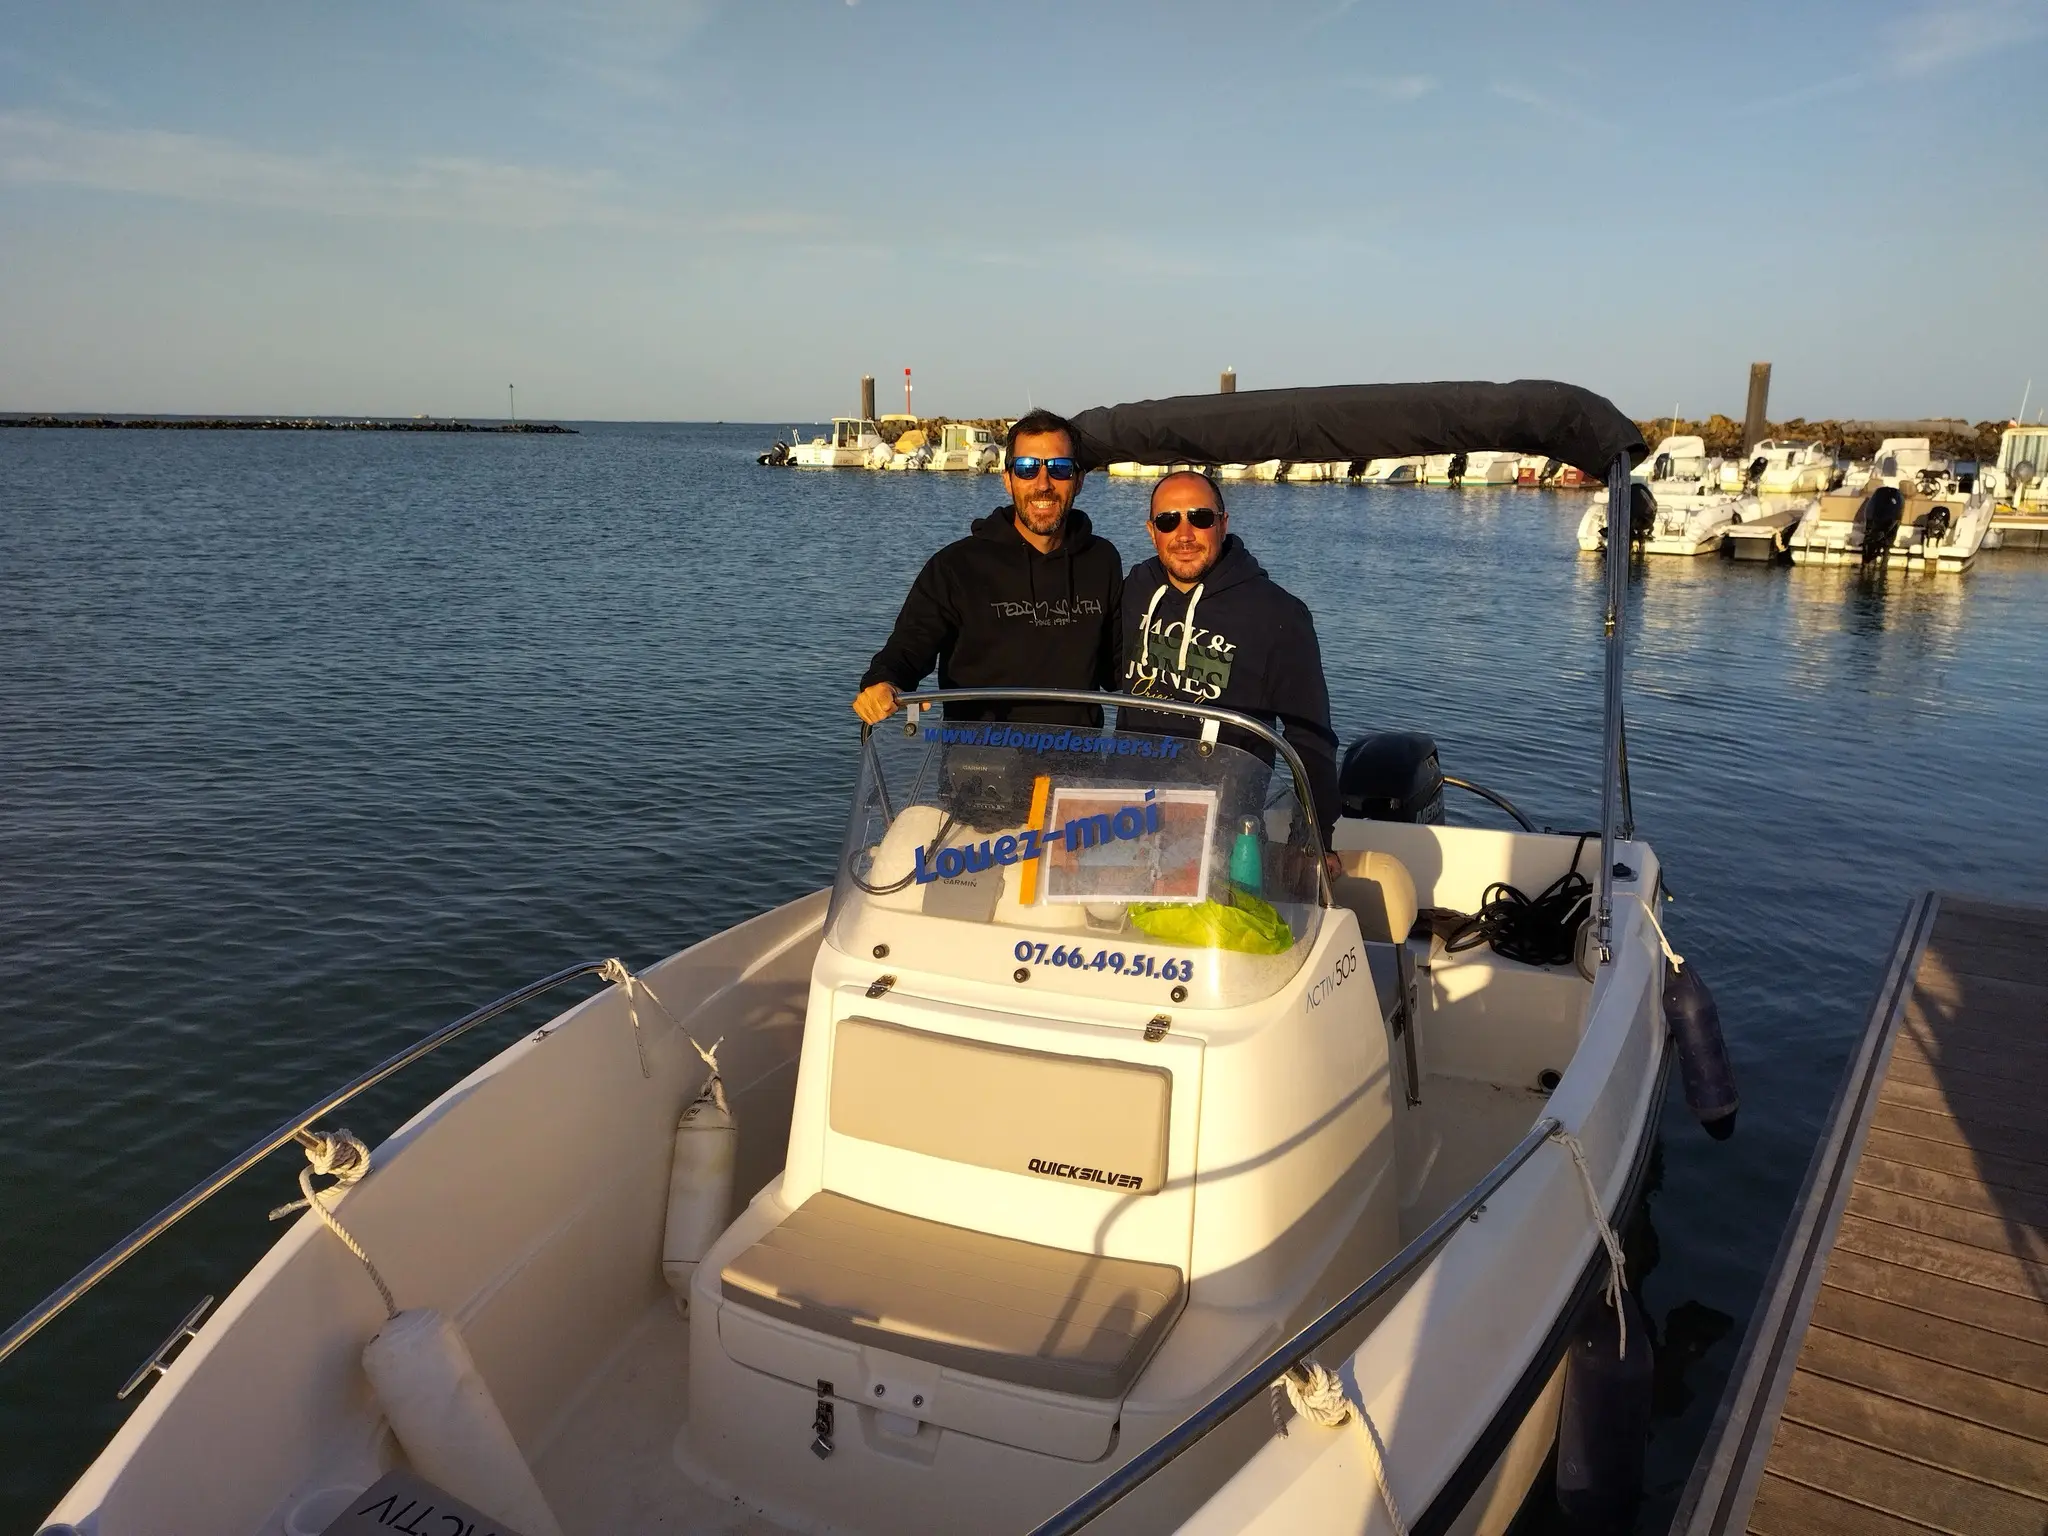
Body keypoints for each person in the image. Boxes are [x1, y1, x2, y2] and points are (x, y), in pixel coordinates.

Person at [853, 408, 1122, 727]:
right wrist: (882, 682)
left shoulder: (1102, 559)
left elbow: (1118, 668)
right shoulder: (955, 566)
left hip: (1076, 764)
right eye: (1027, 468)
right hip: (978, 761)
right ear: (1008, 480)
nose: (1043, 483)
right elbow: (908, 648)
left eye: (1060, 468)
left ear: (1078, 481)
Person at [1118, 470, 1342, 850]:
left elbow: (1310, 737)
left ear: (1223, 524)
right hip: (1128, 816)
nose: (1184, 534)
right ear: (1151, 530)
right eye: (1168, 521)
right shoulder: (1137, 588)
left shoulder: (1278, 614)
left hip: (1224, 827)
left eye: (1200, 518)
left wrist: (1313, 839)